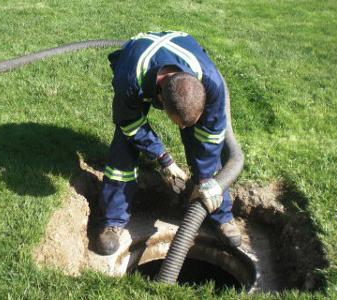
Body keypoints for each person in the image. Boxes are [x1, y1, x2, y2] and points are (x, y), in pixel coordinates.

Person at [96, 31, 242, 255]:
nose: (182, 129)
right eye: (179, 124)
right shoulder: (129, 80)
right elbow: (130, 124)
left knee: (203, 148)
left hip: (180, 54)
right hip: (138, 61)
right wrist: (164, 158)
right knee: (124, 146)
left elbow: (212, 138)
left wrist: (206, 182)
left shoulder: (211, 83)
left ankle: (221, 215)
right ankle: (113, 221)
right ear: (160, 100)